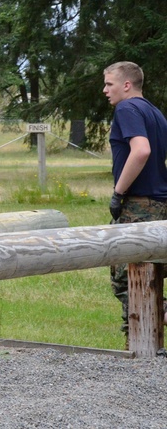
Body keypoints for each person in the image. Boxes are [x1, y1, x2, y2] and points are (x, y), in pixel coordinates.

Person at [102, 61, 167, 338]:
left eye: (109, 84)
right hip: (161, 203)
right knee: (154, 273)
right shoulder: (155, 112)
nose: (105, 90)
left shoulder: (126, 108)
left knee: (125, 278)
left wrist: (118, 193)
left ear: (126, 85)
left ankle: (140, 341)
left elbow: (141, 151)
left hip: (139, 205)